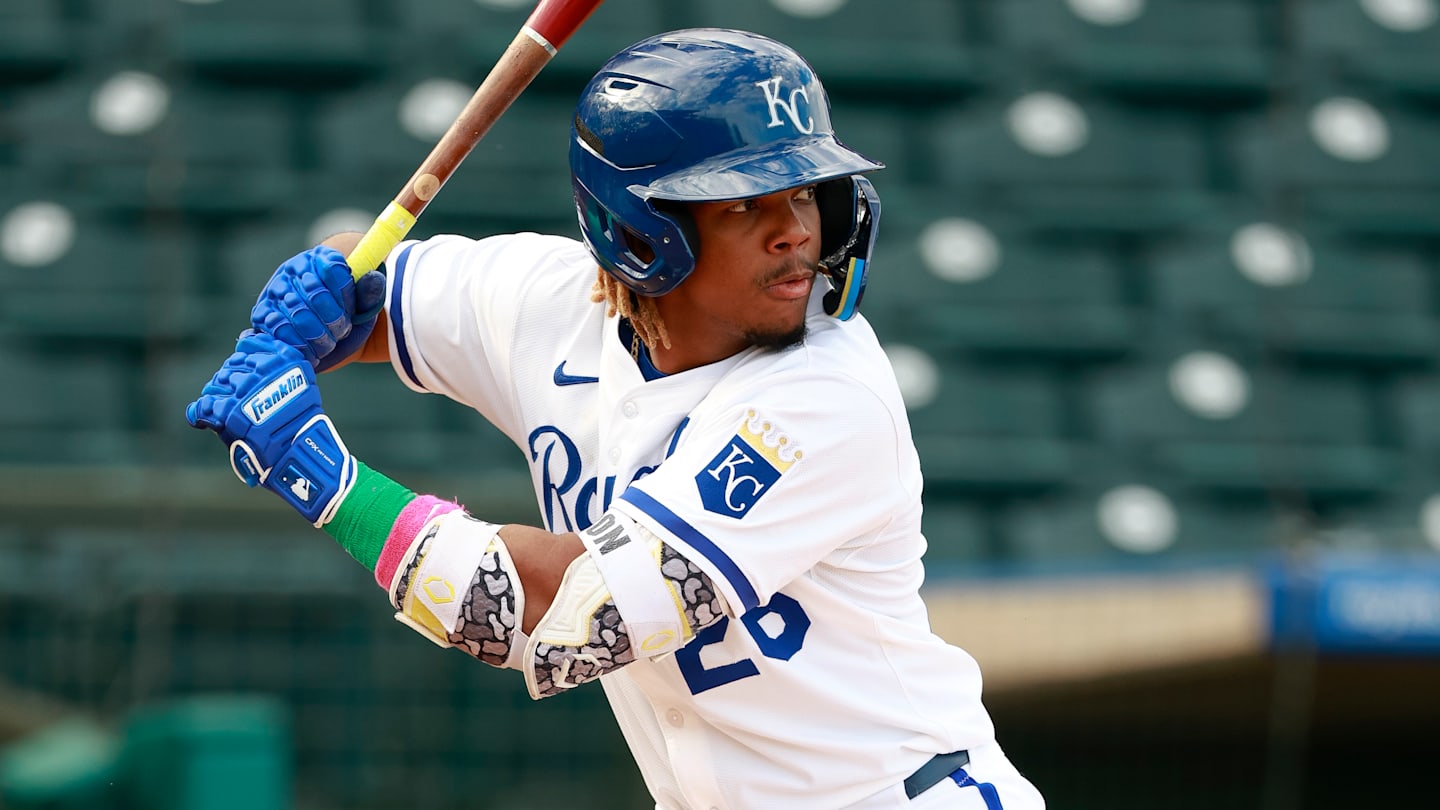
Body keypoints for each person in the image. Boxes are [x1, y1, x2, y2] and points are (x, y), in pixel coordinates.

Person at [187, 28, 1045, 809]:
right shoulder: (541, 299)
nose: (795, 232)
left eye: (806, 192)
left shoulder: (828, 395)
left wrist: (327, 479)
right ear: (639, 229)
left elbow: (559, 615)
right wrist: (296, 316)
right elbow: (359, 298)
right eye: (745, 201)